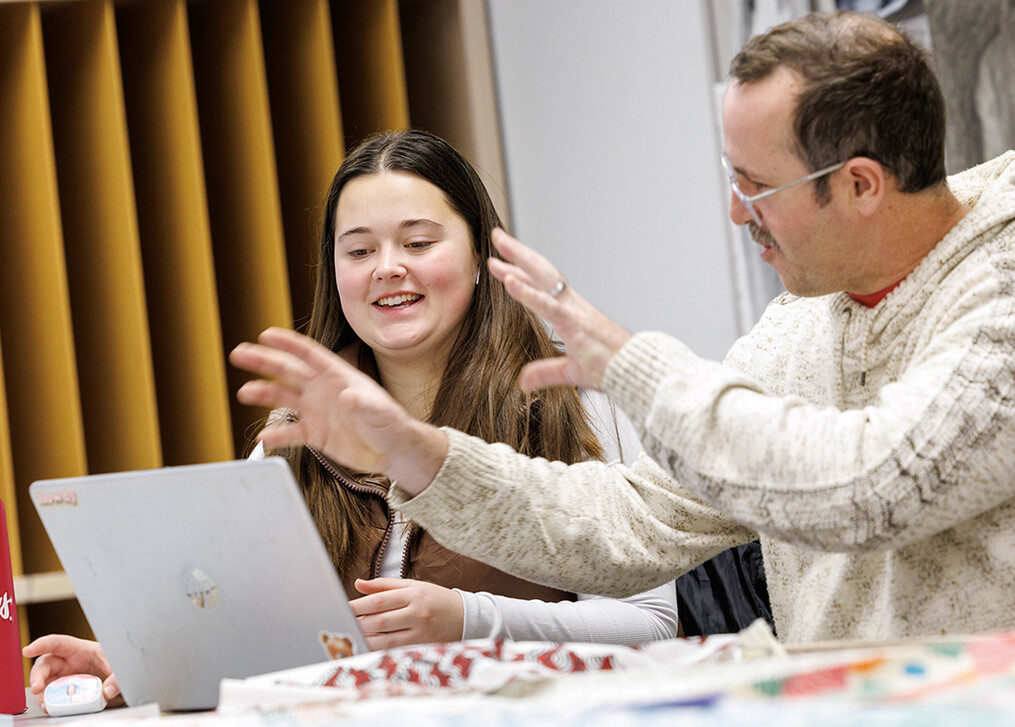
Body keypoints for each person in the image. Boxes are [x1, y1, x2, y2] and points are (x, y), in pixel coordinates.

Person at [229, 9, 1015, 646]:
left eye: (756, 186)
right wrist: (415, 453)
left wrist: (632, 367)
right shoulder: (801, 323)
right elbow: (636, 521)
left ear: (860, 184)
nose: (733, 209)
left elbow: (875, 485)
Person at [23, 130, 678, 708]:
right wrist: (145, 660)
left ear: (480, 255)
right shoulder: (303, 420)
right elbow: (263, 633)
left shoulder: (569, 397)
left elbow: (653, 621)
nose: (388, 268)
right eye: (358, 250)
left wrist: (470, 619)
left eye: (418, 241)